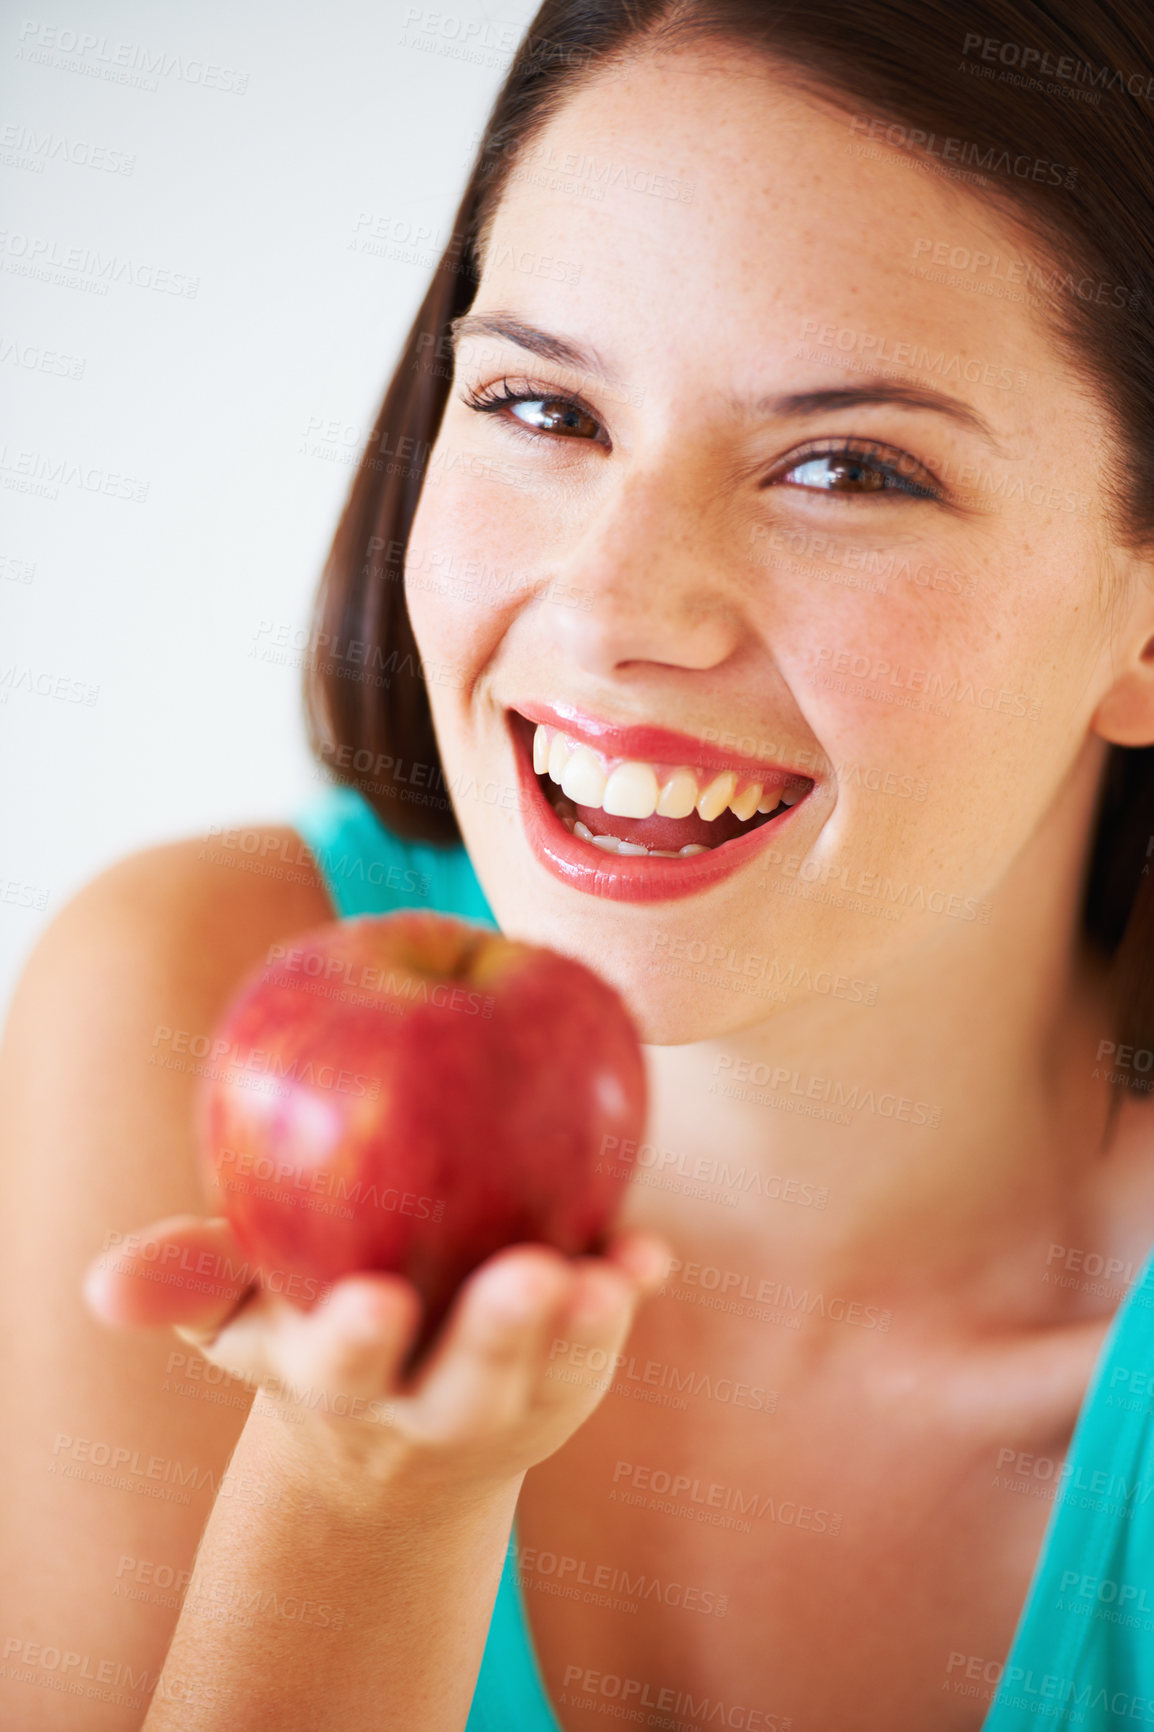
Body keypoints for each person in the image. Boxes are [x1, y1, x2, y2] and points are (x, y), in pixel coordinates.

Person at [4, 1, 1154, 1727]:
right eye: (543, 407)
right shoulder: (178, 1003)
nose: (614, 613)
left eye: (845, 467)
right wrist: (360, 1494)